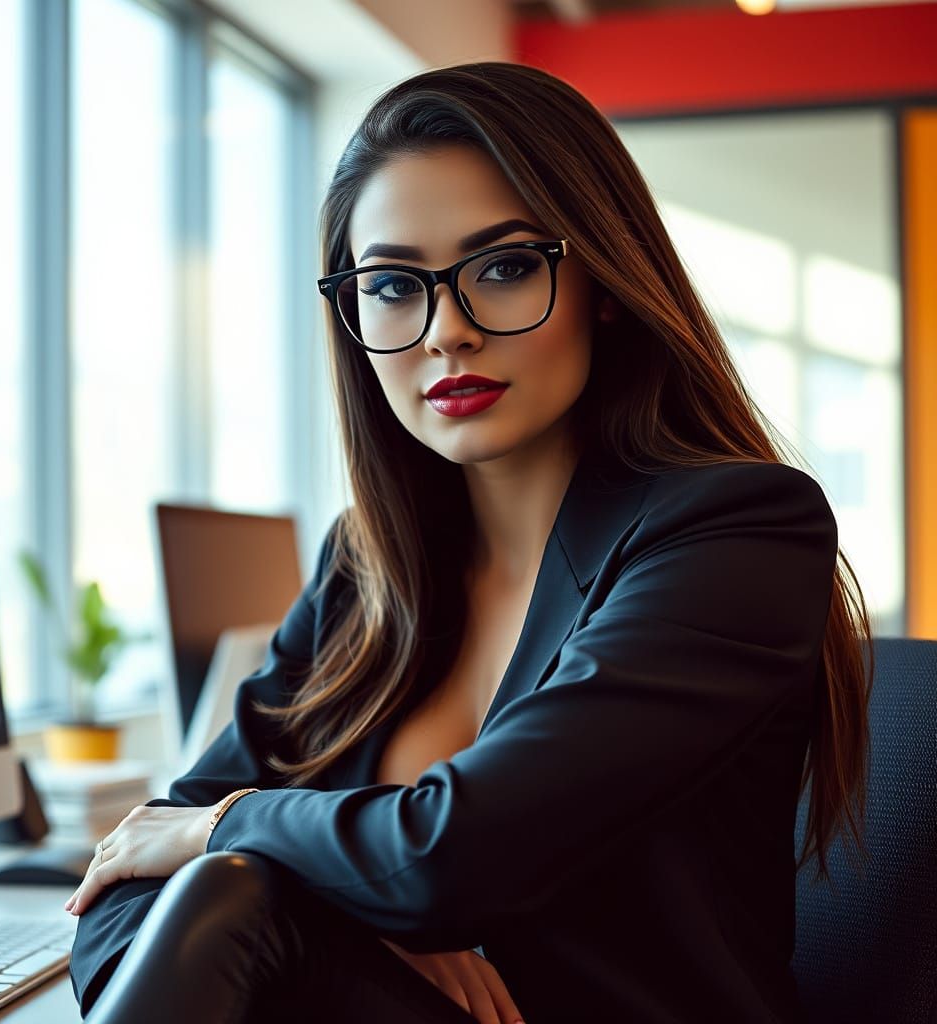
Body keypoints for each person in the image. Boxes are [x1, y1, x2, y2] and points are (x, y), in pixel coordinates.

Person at [66, 61, 873, 1024]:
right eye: (395, 286)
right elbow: (126, 888)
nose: (446, 333)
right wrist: (352, 902)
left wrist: (238, 834)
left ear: (603, 285)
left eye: (503, 267)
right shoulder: (367, 568)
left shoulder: (737, 533)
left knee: (232, 895)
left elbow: (453, 855)